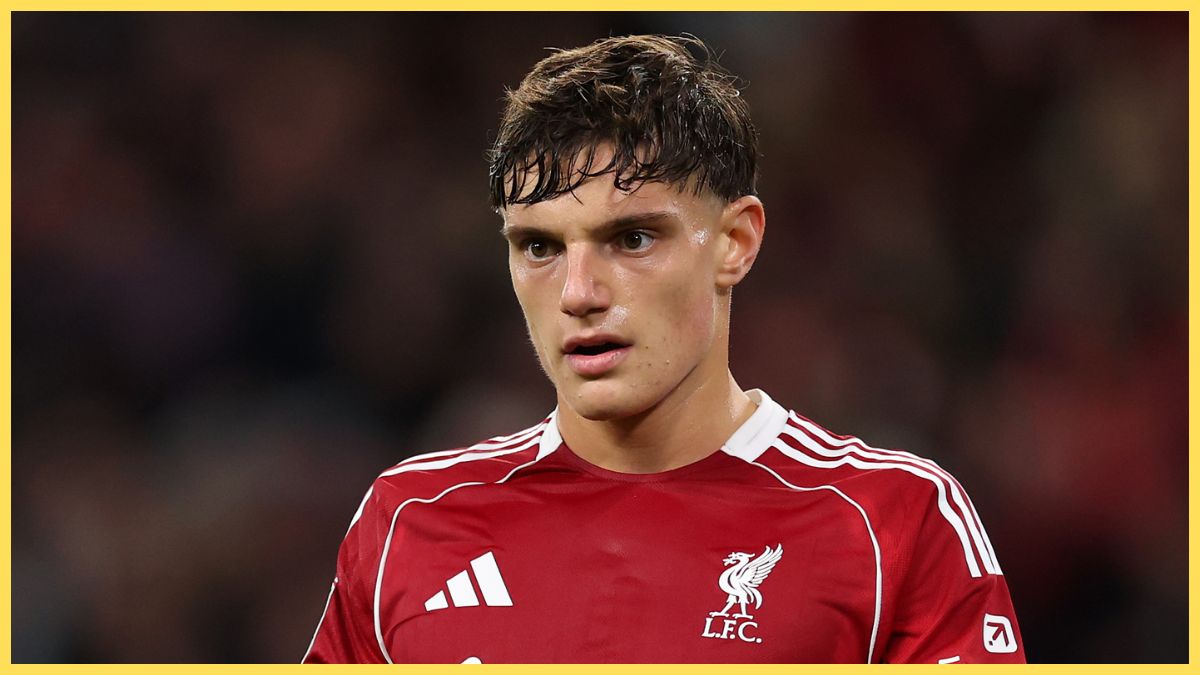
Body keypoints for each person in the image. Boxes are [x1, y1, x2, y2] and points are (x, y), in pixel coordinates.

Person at [302, 34, 1024, 664]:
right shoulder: (409, 521)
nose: (579, 291)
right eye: (540, 246)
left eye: (632, 238)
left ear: (735, 242)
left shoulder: (892, 522)